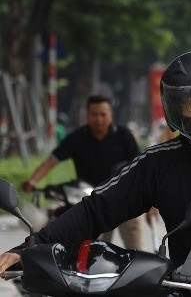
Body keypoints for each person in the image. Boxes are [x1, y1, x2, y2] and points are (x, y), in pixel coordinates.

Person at [0, 51, 191, 296]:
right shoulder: (158, 162)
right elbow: (98, 208)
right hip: (185, 288)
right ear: (176, 107)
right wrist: (31, 246)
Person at [21, 95, 144, 250]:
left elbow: (141, 167)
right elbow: (52, 160)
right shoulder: (77, 138)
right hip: (93, 201)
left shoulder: (124, 136)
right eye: (94, 114)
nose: (98, 119)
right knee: (95, 251)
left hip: (125, 200)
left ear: (111, 115)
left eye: (103, 114)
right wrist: (33, 181)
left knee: (136, 251)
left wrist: (152, 202)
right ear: (87, 115)